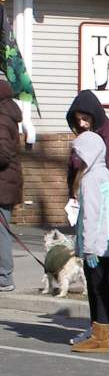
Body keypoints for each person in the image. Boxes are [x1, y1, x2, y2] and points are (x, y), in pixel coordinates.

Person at [69, 132, 109, 354]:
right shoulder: (104, 173)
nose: (77, 158)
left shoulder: (91, 178)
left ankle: (100, 336)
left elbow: (91, 216)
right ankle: (107, 332)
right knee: (107, 286)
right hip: (108, 243)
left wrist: (89, 248)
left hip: (97, 244)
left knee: (97, 289)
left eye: (79, 153)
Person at [66, 90, 109, 210]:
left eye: (85, 118)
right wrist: (73, 196)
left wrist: (107, 204)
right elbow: (73, 172)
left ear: (95, 116)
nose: (81, 124)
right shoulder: (82, 140)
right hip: (85, 206)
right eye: (78, 120)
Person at [0, 77, 23, 292]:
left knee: (2, 232)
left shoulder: (1, 117)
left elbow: (2, 154)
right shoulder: (8, 112)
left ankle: (4, 278)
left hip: (2, 183)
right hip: (7, 182)